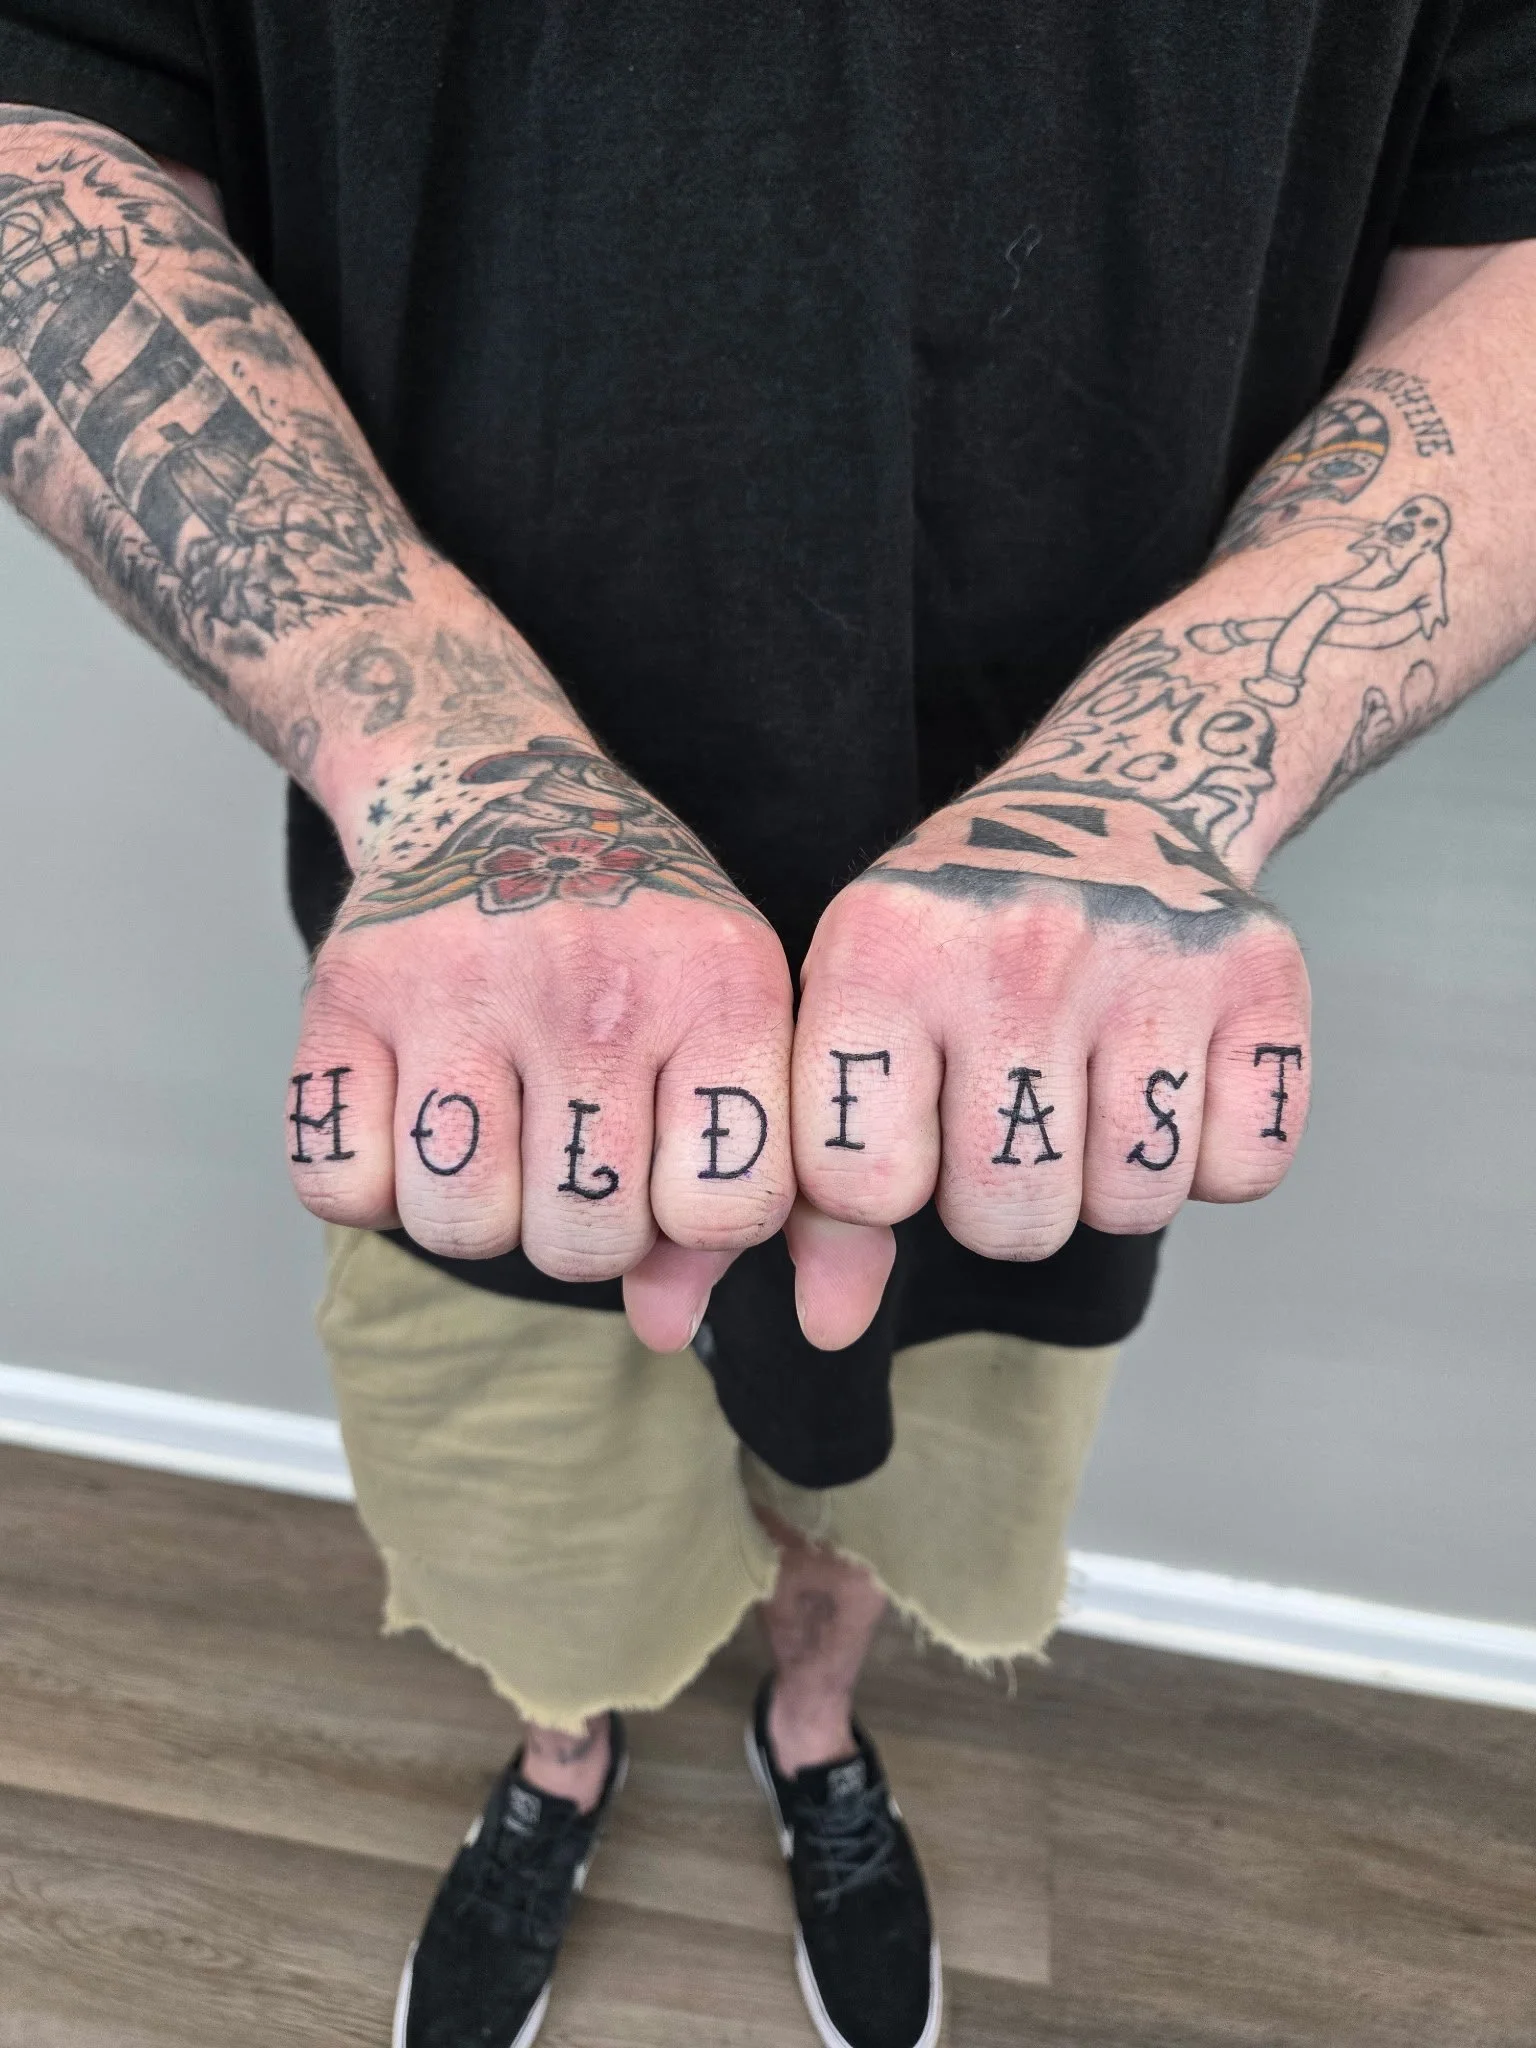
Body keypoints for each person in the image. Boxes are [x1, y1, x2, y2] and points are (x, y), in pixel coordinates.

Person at [2, 6, 1533, 2043]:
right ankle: (562, 1762)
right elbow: (46, 113)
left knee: (890, 1478)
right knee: (537, 1537)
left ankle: (812, 1733)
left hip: (1043, 1023)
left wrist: (1161, 779)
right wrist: (448, 755)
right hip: (490, 1002)